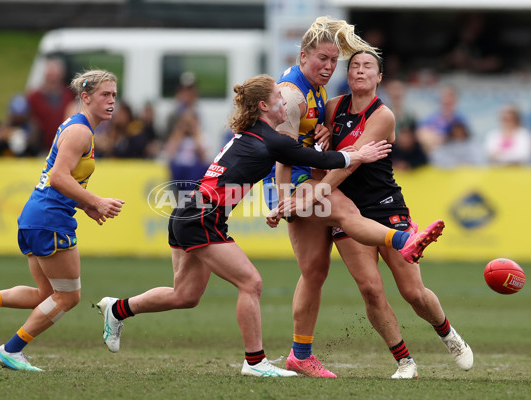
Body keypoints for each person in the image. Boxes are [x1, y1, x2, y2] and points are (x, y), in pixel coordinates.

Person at [94, 74, 391, 377]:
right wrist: (358, 154)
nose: (284, 102)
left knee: (185, 295)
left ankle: (117, 309)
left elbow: (304, 155)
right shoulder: (271, 138)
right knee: (251, 282)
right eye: (279, 97)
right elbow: (319, 159)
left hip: (190, 211)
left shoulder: (256, 133)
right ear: (264, 106)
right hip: (201, 215)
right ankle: (255, 362)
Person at [262, 16, 444, 379]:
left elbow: (303, 138)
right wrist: (281, 202)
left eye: (334, 60)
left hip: (305, 176)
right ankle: (405, 239)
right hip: (292, 180)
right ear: (302, 57)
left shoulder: (317, 90)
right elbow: (281, 154)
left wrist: (320, 137)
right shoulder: (293, 94)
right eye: (322, 60)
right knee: (345, 210)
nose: (329, 67)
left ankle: (300, 355)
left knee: (314, 270)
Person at [284, 51, 474, 379]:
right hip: (347, 209)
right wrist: (323, 139)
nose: (359, 70)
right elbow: (319, 148)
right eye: (354, 66)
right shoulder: (332, 107)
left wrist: (316, 192)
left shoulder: (383, 115)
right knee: (370, 289)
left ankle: (447, 334)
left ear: (379, 77)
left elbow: (353, 161)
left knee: (412, 292)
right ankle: (405, 361)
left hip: (384, 205)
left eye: (367, 66)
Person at [0, 69, 125, 371]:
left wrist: (86, 206)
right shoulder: (81, 131)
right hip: (50, 220)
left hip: (36, 217)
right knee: (69, 297)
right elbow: (57, 177)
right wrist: (95, 200)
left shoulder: (77, 128)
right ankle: (11, 350)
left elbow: (59, 178)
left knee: (45, 295)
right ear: (85, 97)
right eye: (105, 95)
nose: (111, 101)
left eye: (114, 95)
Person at [27, 57, 76, 153]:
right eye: (49, 75)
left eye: (54, 75)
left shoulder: (69, 95)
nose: (52, 79)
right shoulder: (33, 97)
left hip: (64, 149)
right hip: (41, 149)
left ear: (61, 76)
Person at [416, 86, 469, 155]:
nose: (447, 99)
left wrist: (441, 139)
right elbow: (420, 134)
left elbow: (461, 139)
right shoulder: (431, 118)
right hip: (434, 153)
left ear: (455, 99)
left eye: (450, 96)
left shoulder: (460, 119)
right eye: (445, 96)